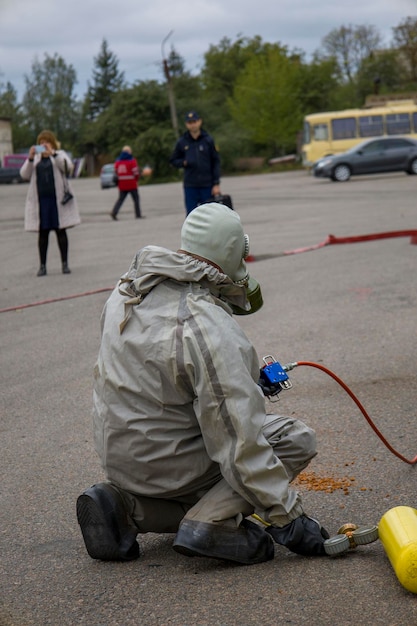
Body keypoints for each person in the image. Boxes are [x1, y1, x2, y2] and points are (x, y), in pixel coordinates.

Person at [76, 202, 330, 564]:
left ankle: (127, 508)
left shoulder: (126, 292)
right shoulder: (206, 325)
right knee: (293, 438)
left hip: (124, 460)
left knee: (217, 471)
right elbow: (237, 439)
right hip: (172, 463)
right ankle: (209, 523)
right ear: (234, 254)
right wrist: (288, 518)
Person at [20, 130, 80, 276]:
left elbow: (68, 167)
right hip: (41, 202)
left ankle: (65, 264)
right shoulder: (36, 159)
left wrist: (53, 153)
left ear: (52, 143)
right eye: (41, 142)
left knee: (61, 232)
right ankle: (42, 266)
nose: (43, 145)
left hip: (57, 201)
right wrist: (30, 158)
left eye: (46, 142)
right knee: (43, 234)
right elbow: (24, 175)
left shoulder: (59, 155)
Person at [170, 111, 221, 215]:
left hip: (207, 184)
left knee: (209, 215)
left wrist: (216, 184)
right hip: (191, 185)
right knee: (192, 215)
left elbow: (215, 162)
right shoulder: (182, 142)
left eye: (194, 121)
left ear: (199, 122)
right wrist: (183, 162)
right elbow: (173, 160)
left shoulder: (208, 140)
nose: (192, 125)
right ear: (186, 124)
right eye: (190, 122)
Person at [111, 146, 142, 220]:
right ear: (129, 152)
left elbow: (115, 172)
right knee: (136, 199)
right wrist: (136, 180)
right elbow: (136, 172)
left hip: (122, 184)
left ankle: (114, 212)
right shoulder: (132, 160)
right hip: (131, 183)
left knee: (121, 199)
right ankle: (138, 214)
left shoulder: (118, 161)